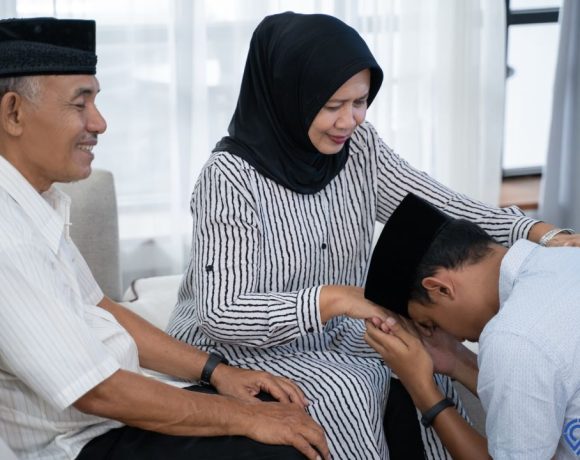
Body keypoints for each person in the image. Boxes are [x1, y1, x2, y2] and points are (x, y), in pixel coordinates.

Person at [167, 11, 579, 460]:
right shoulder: (227, 179)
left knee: (427, 358)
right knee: (349, 391)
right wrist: (337, 299)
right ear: (289, 96)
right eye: (331, 107)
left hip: (336, 325)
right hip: (240, 341)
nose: (349, 121)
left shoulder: (359, 148)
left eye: (360, 102)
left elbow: (443, 205)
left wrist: (539, 232)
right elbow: (221, 312)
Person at [0, 17, 330, 460]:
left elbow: (102, 308)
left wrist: (217, 372)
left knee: (281, 406)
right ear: (14, 113)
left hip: (112, 419)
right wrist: (244, 417)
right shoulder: (8, 237)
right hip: (82, 444)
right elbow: (97, 392)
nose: (100, 123)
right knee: (277, 446)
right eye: (81, 105)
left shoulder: (36, 201)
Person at [364, 192, 580, 459]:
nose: (448, 334)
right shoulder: (567, 256)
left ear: (440, 288)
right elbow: (537, 401)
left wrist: (422, 389)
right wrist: (455, 359)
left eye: (429, 322)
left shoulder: (513, 338)